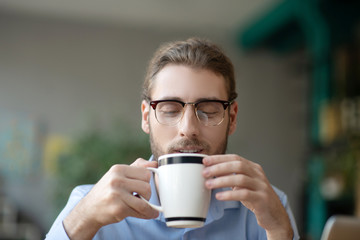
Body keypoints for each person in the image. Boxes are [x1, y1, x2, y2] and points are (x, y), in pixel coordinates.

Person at [46, 37, 300, 240]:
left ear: (231, 118)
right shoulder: (89, 205)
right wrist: (82, 221)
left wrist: (280, 232)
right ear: (146, 117)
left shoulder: (267, 206)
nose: (188, 128)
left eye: (209, 110)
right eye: (169, 110)